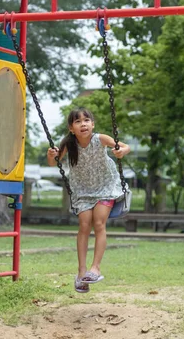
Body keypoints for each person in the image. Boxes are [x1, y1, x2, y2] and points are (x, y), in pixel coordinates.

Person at [47, 107, 130, 293]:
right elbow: (53, 162)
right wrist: (50, 155)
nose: (82, 124)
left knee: (99, 223)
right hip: (83, 191)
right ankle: (81, 272)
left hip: (106, 188)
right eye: (77, 121)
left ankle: (95, 268)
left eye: (86, 120)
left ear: (92, 124)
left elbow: (125, 146)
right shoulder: (69, 144)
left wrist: (121, 151)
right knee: (84, 225)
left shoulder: (100, 139)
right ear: (71, 128)